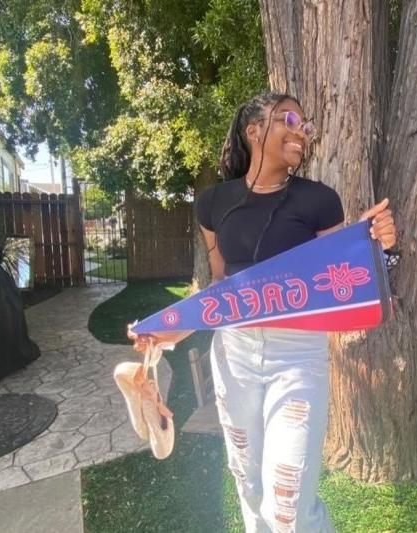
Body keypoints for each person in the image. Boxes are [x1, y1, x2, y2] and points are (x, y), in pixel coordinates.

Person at [129, 92, 396, 532]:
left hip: (298, 357)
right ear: (254, 130)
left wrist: (380, 247)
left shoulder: (319, 201)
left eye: (306, 126)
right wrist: (168, 332)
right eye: (290, 119)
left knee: (288, 500)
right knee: (249, 482)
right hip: (234, 354)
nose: (301, 132)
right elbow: (221, 289)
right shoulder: (213, 203)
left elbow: (339, 280)